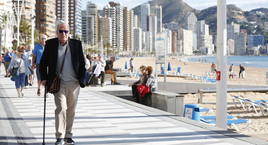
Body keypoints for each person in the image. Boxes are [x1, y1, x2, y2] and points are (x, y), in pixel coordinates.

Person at [39, 21, 86, 145]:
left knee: (71, 110)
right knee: (61, 108)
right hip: (58, 83)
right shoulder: (51, 44)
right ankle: (60, 136)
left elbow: (82, 64)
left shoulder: (76, 44)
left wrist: (82, 79)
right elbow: (43, 63)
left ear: (69, 33)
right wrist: (43, 78)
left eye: (66, 31)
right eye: (61, 31)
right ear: (57, 32)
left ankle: (68, 135)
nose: (64, 33)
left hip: (74, 83)